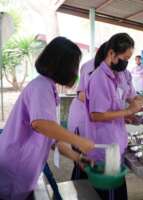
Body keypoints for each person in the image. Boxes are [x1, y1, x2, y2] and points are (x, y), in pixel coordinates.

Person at [0, 37, 95, 200]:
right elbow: (41, 125)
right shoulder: (41, 86)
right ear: (62, 64)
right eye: (74, 65)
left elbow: (52, 137)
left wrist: (77, 157)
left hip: (24, 169)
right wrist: (80, 141)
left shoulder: (47, 87)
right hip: (14, 167)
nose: (74, 70)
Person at [71, 33, 143, 200]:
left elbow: (121, 101)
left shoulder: (117, 74)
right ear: (111, 53)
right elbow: (96, 114)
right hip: (103, 142)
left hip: (114, 140)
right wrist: (128, 111)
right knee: (105, 190)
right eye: (124, 58)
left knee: (116, 190)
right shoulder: (98, 76)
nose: (126, 62)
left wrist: (128, 116)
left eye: (129, 58)